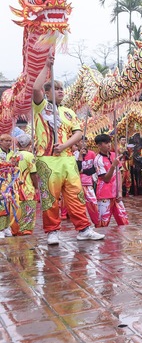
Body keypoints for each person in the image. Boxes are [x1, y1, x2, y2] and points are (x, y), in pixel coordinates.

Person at [32, 52, 105, 245]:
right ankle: (52, 231)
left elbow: (78, 133)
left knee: (76, 195)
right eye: (56, 89)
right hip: (47, 160)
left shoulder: (68, 112)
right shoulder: (41, 107)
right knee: (50, 198)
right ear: (47, 93)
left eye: (62, 89)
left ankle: (84, 229)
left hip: (67, 159)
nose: (61, 92)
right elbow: (35, 88)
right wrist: (47, 66)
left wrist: (65, 145)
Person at [94, 134, 129, 227]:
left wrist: (120, 192)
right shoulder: (98, 160)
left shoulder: (114, 155)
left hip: (116, 194)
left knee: (124, 222)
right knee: (102, 224)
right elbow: (106, 179)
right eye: (106, 143)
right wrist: (113, 166)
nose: (109, 145)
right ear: (99, 145)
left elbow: (119, 175)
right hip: (104, 195)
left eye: (109, 142)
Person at [11, 134, 39, 236]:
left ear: (17, 144)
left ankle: (16, 230)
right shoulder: (29, 155)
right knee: (29, 209)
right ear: (30, 144)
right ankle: (26, 229)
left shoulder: (12, 155)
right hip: (27, 188)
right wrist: (36, 187)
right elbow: (33, 173)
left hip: (14, 187)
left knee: (16, 209)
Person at [76, 137, 99, 226]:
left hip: (88, 183)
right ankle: (83, 225)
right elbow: (77, 169)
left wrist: (84, 171)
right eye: (82, 141)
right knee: (79, 206)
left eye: (85, 141)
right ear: (77, 143)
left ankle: (97, 222)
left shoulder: (92, 154)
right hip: (77, 184)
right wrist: (80, 157)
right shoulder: (73, 154)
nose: (84, 143)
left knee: (93, 203)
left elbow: (94, 168)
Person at [0, 133, 19, 238]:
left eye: (9, 141)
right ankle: (0, 229)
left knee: (9, 205)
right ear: (1, 142)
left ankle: (7, 227)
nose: (8, 143)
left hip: (11, 182)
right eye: (6, 141)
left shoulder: (13, 153)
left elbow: (17, 167)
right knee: (1, 206)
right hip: (1, 183)